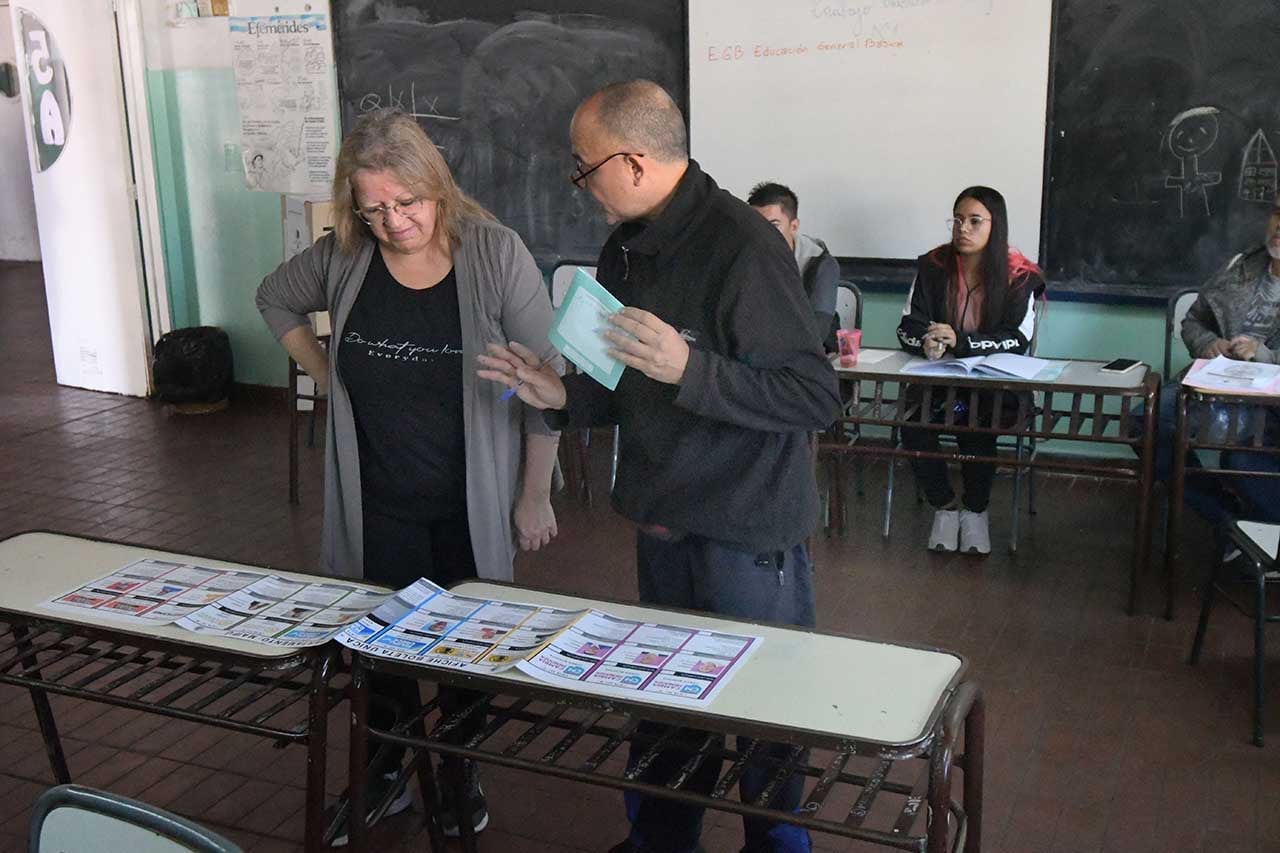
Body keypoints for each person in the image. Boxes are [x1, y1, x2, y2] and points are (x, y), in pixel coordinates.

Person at [477, 80, 840, 853]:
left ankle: (777, 846)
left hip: (747, 533)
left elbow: (814, 395)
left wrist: (690, 368)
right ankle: (662, 842)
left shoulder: (745, 247)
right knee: (669, 701)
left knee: (762, 712)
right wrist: (558, 395)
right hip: (664, 523)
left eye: (585, 168)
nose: (579, 186)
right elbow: (619, 384)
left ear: (634, 161)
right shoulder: (626, 246)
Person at [255, 109, 561, 842]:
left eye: (408, 203)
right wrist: (328, 375)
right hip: (380, 500)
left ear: (436, 187)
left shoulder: (494, 253)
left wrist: (533, 492)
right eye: (375, 208)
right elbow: (275, 298)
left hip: (468, 500)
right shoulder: (345, 255)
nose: (394, 222)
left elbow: (548, 383)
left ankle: (458, 770)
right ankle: (389, 769)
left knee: (464, 647)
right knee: (379, 647)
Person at [897, 186, 1045, 555]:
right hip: (940, 383)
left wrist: (961, 342)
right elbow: (907, 326)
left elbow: (1017, 338)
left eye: (975, 221)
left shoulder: (1020, 275)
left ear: (996, 226)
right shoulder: (932, 265)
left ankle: (975, 511)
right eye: (958, 219)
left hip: (993, 386)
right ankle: (944, 506)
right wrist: (926, 343)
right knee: (913, 422)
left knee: (974, 422)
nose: (963, 228)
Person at [1155, 190, 1280, 527]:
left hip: (1270, 403)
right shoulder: (1241, 267)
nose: (1279, 225)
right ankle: (1224, 515)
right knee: (1148, 422)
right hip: (1218, 386)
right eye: (1278, 213)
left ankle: (1261, 531)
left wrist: (1264, 353)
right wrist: (1208, 343)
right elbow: (1194, 320)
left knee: (1241, 456)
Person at [748, 181, 841, 351]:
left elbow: (818, 330)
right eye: (755, 224)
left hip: (804, 357)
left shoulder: (819, 263)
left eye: (774, 225)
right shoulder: (739, 257)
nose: (762, 233)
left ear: (794, 226)